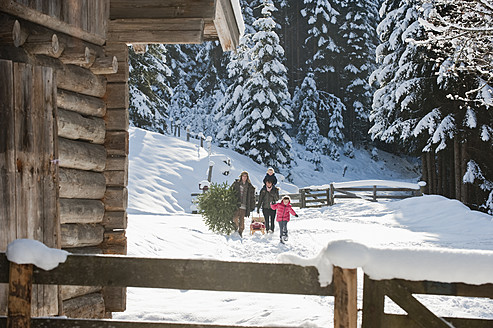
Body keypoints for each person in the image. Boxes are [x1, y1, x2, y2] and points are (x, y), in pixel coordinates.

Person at [231, 171, 256, 237]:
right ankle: (236, 228)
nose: (244, 178)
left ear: (247, 178)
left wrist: (252, 206)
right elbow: (231, 191)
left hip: (244, 205)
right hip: (237, 204)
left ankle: (240, 232)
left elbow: (252, 197)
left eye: (245, 176)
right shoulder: (236, 183)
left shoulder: (249, 186)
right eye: (243, 176)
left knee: (242, 221)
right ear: (241, 176)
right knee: (235, 218)